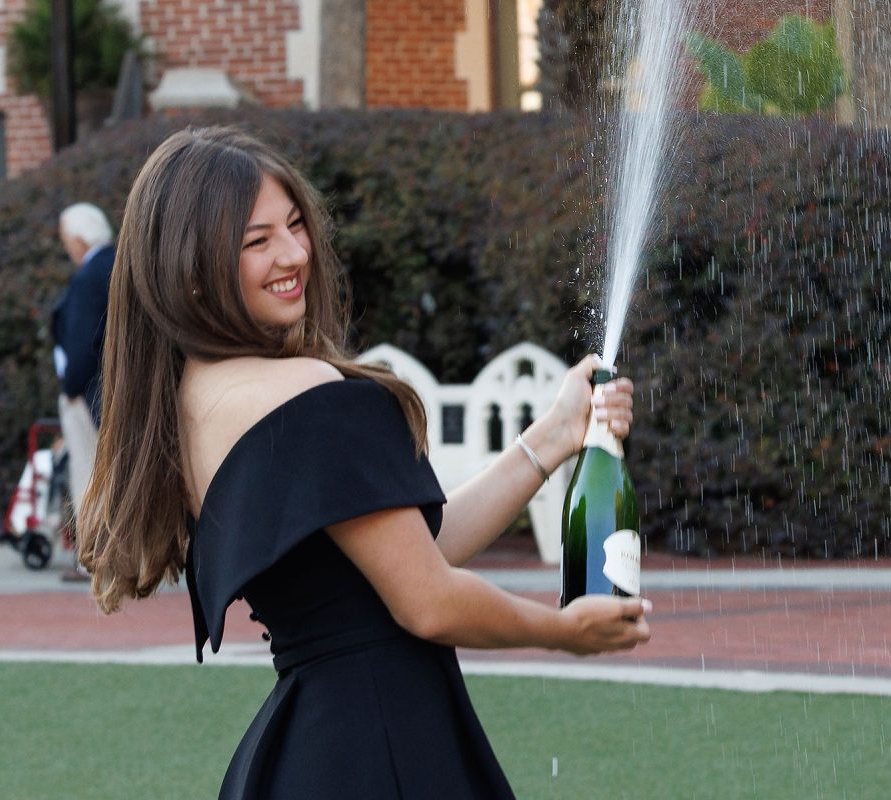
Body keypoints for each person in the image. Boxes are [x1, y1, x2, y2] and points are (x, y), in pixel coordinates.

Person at [78, 126, 650, 799]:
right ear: (191, 268)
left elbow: (411, 555)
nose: (294, 253)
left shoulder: (189, 402)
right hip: (382, 746)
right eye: (256, 241)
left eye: (295, 225)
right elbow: (429, 602)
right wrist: (561, 631)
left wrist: (552, 438)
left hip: (309, 748)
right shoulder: (308, 395)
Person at [51, 203, 114, 580]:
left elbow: (82, 343)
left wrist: (71, 387)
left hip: (89, 392)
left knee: (88, 477)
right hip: (118, 389)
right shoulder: (121, 263)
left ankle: (92, 559)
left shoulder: (89, 276)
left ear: (77, 238)